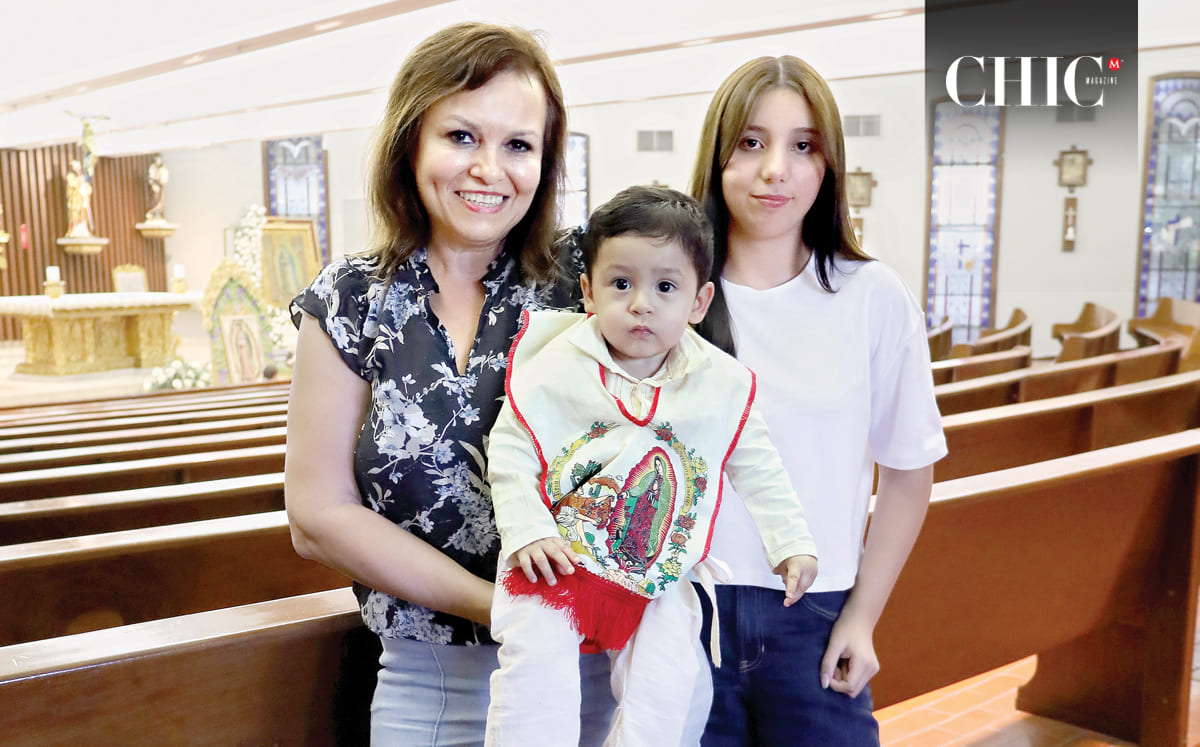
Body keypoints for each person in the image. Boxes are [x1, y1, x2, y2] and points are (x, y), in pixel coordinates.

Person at [284, 22, 616, 744]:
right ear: (411, 141)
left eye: (518, 145)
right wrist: (498, 605)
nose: (488, 169)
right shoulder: (351, 299)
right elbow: (316, 514)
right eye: (461, 136)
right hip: (426, 681)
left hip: (584, 673)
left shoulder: (586, 284)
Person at [485, 185, 818, 746]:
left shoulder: (720, 382)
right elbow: (512, 449)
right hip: (558, 557)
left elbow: (757, 464)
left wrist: (791, 542)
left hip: (659, 567)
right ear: (588, 292)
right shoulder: (554, 366)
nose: (642, 303)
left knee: (671, 685)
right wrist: (529, 529)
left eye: (666, 286)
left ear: (699, 301)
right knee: (534, 673)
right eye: (621, 284)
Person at [688, 57, 948, 745]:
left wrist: (862, 615)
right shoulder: (670, 295)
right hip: (683, 610)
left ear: (828, 164)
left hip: (816, 613)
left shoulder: (871, 296)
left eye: (803, 145)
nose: (776, 169)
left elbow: (908, 471)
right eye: (750, 142)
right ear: (717, 157)